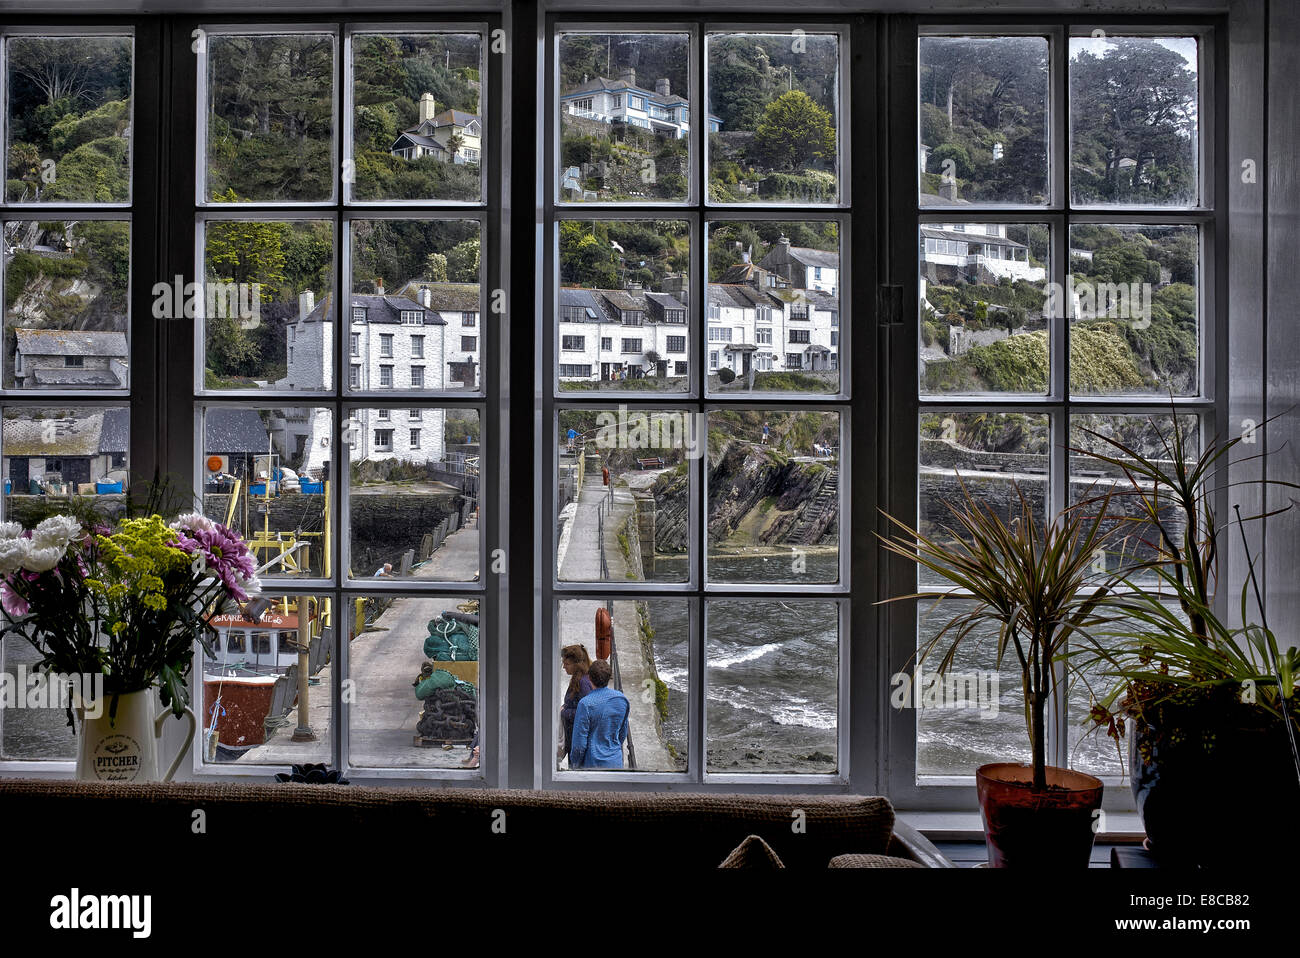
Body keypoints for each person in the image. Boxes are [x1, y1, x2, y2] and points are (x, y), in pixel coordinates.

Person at [569, 659, 629, 769]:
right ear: (608, 677)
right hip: (615, 761)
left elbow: (579, 744)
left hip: (592, 763)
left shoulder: (585, 704)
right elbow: (622, 733)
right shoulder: (621, 699)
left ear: (589, 678)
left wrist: (575, 765)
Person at [558, 644, 594, 765]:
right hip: (574, 736)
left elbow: (586, 713)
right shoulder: (579, 679)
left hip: (578, 738)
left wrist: (564, 712)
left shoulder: (583, 683)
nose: (564, 667)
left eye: (567, 664)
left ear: (577, 665)